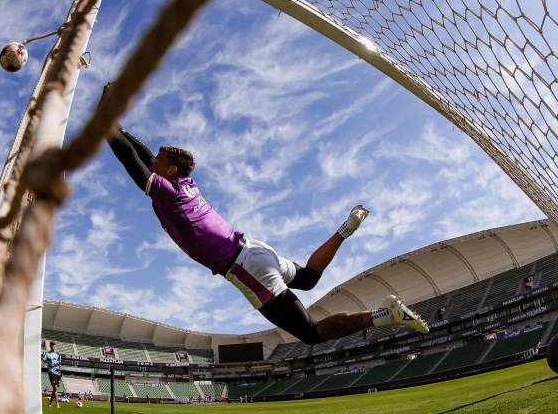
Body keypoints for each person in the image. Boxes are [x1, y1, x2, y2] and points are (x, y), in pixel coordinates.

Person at [104, 90, 429, 345]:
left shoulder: (168, 191)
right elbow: (145, 154)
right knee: (307, 279)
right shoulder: (184, 183)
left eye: (158, 164)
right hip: (254, 250)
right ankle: (345, 229)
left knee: (311, 333)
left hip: (245, 267)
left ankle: (383, 315)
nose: (152, 166)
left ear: (170, 170)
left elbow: (129, 157)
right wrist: (120, 126)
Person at [42, 341, 63, 408]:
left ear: (56, 346)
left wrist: (61, 372)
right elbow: (43, 360)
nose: (53, 346)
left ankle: (50, 403)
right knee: (55, 388)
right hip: (51, 372)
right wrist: (46, 359)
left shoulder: (59, 354)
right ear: (50, 346)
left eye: (54, 345)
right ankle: (57, 404)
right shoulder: (47, 354)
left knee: (55, 389)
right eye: (52, 345)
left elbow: (60, 364)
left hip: (58, 373)